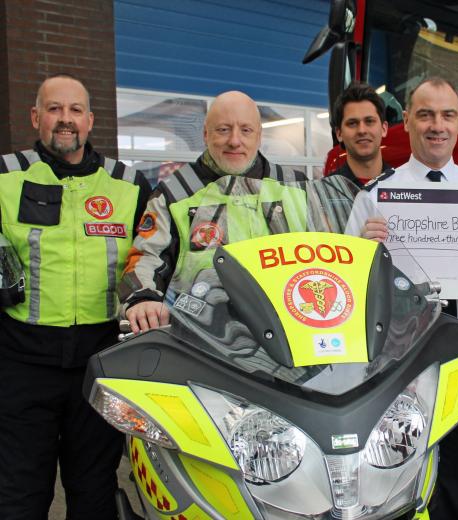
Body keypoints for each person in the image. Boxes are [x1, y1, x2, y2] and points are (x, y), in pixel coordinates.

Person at [345, 76, 458, 520]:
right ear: (406, 122)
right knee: (402, 460)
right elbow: (349, 288)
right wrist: (363, 252)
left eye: (446, 115)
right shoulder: (374, 197)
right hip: (403, 352)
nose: (436, 126)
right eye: (425, 115)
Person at [0, 73, 151, 518]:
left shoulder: (129, 184)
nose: (65, 119)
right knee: (19, 494)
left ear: (90, 120)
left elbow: (150, 256)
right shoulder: (5, 176)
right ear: (35, 117)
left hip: (98, 363)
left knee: (94, 491)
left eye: (74, 110)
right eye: (54, 109)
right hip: (22, 362)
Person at [120, 90, 307, 333]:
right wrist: (143, 298)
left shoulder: (297, 187)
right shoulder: (175, 193)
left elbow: (329, 251)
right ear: (206, 134)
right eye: (223, 129)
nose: (235, 140)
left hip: (291, 329)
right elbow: (146, 257)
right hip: (203, 336)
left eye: (246, 130)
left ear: (259, 136)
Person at [328, 82, 391, 185]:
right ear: (339, 134)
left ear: (384, 128)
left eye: (369, 121)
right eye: (352, 123)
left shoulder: (405, 186)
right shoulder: (325, 190)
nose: (362, 130)